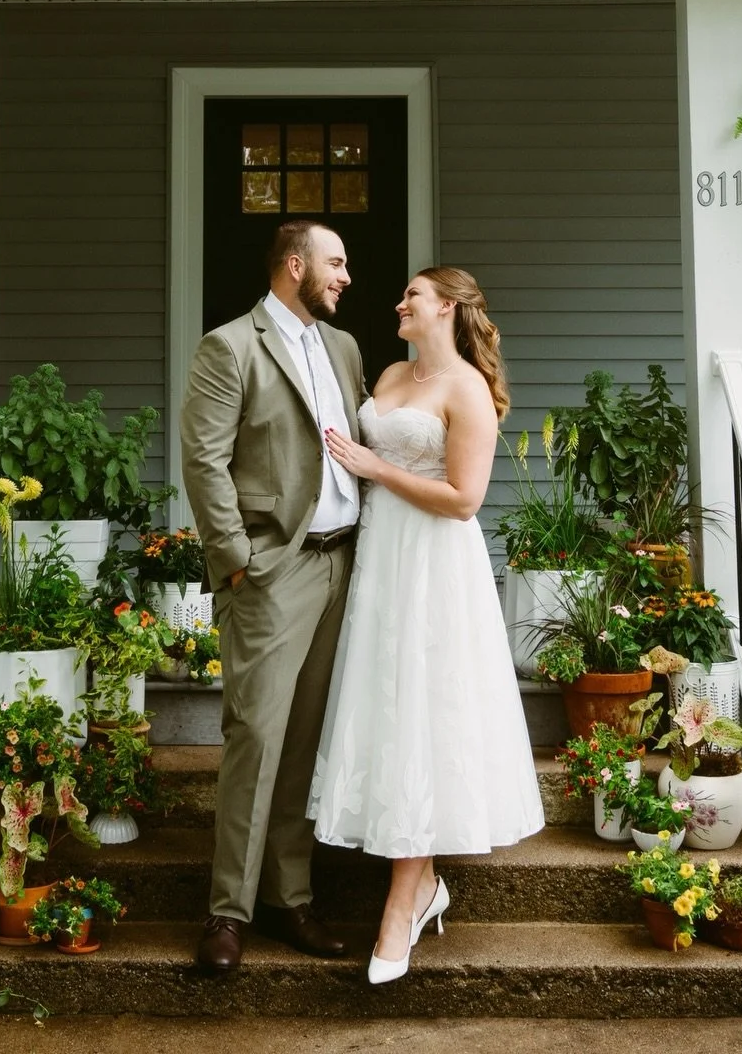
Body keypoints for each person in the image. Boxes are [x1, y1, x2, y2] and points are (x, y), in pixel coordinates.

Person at [308, 266, 545, 983]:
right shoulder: (387, 371)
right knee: (392, 712)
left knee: (424, 711)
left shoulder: (467, 389)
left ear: (446, 307)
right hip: (380, 560)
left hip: (435, 565)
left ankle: (399, 906)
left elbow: (464, 499)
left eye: (411, 295)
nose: (398, 303)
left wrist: (376, 468)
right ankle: (425, 884)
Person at [180, 219, 366, 974]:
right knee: (256, 737)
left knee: (303, 742)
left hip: (342, 568)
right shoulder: (232, 346)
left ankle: (290, 902)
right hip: (273, 570)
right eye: (336, 263)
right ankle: (227, 913)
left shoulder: (345, 349)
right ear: (295, 266)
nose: (347, 277)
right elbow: (203, 458)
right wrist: (235, 563)